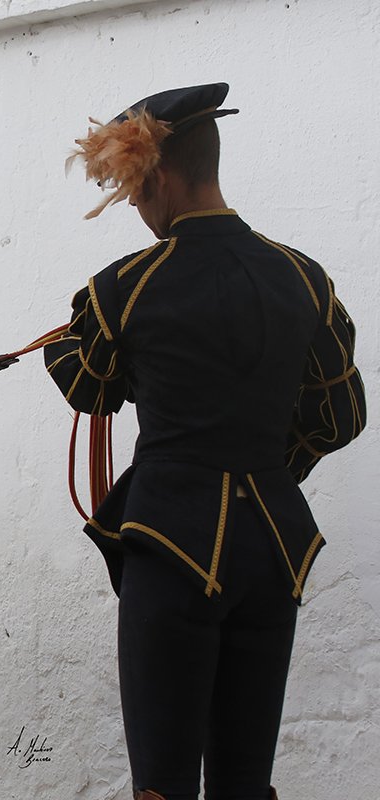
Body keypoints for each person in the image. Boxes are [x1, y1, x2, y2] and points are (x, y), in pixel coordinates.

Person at [43, 83, 366, 800]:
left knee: (161, 786)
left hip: (170, 544)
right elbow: (340, 418)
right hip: (273, 549)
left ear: (157, 175)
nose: (132, 204)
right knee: (245, 785)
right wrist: (265, 466)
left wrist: (84, 350)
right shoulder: (304, 278)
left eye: (132, 187)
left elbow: (88, 386)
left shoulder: (124, 285)